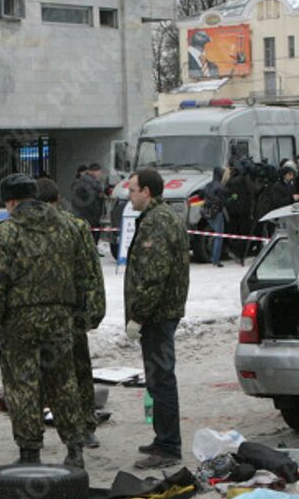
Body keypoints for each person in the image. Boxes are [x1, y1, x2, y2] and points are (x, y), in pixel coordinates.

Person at [0, 174, 89, 468]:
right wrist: (76, 311)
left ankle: (30, 452)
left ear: (11, 201)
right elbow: (83, 273)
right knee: (64, 381)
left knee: (22, 384)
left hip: (19, 321)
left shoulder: (6, 232)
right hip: (60, 317)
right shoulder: (67, 226)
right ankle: (75, 447)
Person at [125, 168, 189, 469]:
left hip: (158, 313)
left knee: (161, 379)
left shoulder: (157, 222)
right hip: (161, 311)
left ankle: (168, 446)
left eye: (133, 189)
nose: (130, 195)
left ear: (147, 192)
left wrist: (138, 316)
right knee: (157, 378)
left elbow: (154, 275)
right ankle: (163, 437)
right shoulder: (158, 216)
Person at [35, 178, 105, 449]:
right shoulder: (32, 228)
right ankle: (77, 425)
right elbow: (92, 273)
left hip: (62, 314)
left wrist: (93, 311)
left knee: (74, 370)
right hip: (58, 313)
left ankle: (83, 424)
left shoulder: (74, 227)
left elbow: (90, 272)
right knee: (73, 371)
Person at [72, 163, 105, 246]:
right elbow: (90, 200)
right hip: (88, 216)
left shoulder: (91, 182)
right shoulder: (87, 182)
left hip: (88, 216)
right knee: (89, 240)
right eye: (99, 171)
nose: (100, 174)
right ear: (94, 171)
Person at [202, 167, 228, 267]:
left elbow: (201, 195)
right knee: (218, 237)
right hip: (217, 213)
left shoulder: (207, 185)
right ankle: (215, 260)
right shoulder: (220, 187)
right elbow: (222, 201)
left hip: (207, 213)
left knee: (214, 234)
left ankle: (214, 257)